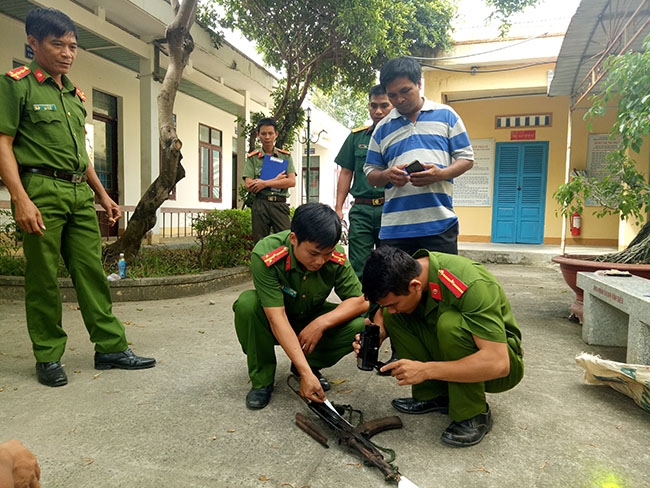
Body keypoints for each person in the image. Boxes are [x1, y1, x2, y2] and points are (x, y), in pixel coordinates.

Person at [0, 7, 155, 388]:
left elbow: (82, 156)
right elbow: (2, 143)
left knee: (91, 272)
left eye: (73, 46)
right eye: (58, 44)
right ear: (33, 42)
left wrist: (102, 194)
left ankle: (110, 348)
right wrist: (19, 198)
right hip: (40, 190)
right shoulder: (16, 85)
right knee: (43, 278)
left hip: (78, 193)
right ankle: (48, 355)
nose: (68, 53)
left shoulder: (73, 95)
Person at [358, 246, 524, 447]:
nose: (391, 309)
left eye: (393, 303)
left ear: (415, 286)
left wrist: (426, 370)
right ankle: (436, 396)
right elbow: (387, 311)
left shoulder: (470, 284)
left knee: (450, 325)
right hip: (463, 354)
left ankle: (473, 413)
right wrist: (380, 333)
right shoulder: (407, 272)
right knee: (394, 318)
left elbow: (498, 363)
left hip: (500, 367)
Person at [233, 203, 368, 410]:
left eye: (327, 253)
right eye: (314, 253)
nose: (321, 261)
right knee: (247, 304)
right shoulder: (266, 254)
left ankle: (307, 365)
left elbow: (361, 300)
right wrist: (307, 376)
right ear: (294, 239)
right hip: (276, 320)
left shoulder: (335, 256)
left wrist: (321, 323)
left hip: (310, 317)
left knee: (361, 325)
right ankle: (262, 380)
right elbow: (276, 318)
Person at [364, 56, 475, 256]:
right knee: (396, 287)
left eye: (405, 91)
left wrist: (440, 174)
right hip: (395, 229)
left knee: (440, 286)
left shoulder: (447, 115)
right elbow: (370, 172)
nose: (399, 100)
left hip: (439, 225)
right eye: (393, 95)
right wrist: (388, 175)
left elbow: (466, 158)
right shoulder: (382, 128)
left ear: (419, 83)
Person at [334, 85, 393, 279]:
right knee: (359, 268)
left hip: (391, 208)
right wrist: (338, 208)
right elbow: (346, 173)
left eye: (384, 105)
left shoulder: (401, 137)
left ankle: (384, 309)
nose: (378, 111)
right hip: (362, 211)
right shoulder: (356, 137)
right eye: (373, 105)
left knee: (390, 266)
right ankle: (361, 308)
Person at [243, 118, 296, 242]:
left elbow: (291, 181)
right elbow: (248, 184)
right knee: (260, 243)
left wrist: (264, 183)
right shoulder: (253, 158)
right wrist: (278, 180)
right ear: (258, 135)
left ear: (276, 134)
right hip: (261, 204)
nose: (267, 137)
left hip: (279, 204)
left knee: (287, 240)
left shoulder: (285, 156)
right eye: (263, 133)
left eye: (270, 133)